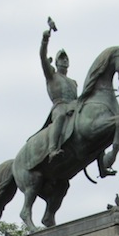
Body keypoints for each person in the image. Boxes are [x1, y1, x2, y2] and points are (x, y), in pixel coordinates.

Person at [39, 26, 78, 159]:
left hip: (73, 106)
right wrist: (45, 40)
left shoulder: (73, 82)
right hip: (59, 106)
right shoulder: (52, 75)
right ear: (56, 62)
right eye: (61, 59)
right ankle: (52, 149)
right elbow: (43, 58)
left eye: (66, 59)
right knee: (60, 116)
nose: (64, 61)